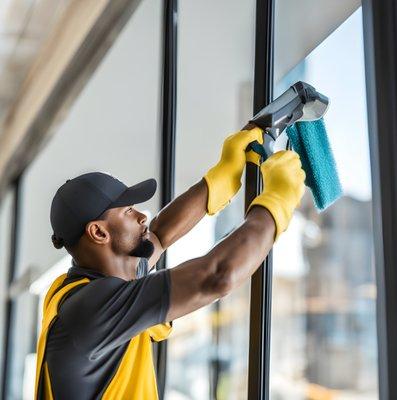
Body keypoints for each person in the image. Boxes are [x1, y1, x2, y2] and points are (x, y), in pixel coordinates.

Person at [34, 127, 305, 399]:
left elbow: (159, 235)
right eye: (128, 211)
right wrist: (277, 200)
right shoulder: (92, 309)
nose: (142, 216)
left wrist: (220, 177)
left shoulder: (87, 284)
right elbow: (216, 277)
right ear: (99, 233)